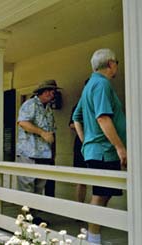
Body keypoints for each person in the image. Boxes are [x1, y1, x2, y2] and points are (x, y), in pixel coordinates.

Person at [73, 48, 126, 244]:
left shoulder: (90, 86)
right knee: (100, 195)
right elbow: (103, 118)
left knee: (103, 195)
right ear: (111, 63)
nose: (117, 66)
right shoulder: (102, 84)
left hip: (97, 150)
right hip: (104, 151)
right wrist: (120, 148)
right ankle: (93, 240)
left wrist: (86, 140)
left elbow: (76, 117)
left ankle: (93, 237)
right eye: (117, 63)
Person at [16, 79, 60, 224]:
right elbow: (23, 122)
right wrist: (42, 133)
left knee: (39, 186)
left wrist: (53, 154)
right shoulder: (30, 104)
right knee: (27, 186)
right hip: (28, 153)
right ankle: (24, 219)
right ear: (42, 92)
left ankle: (33, 216)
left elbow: (52, 133)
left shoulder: (48, 109)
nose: (52, 93)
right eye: (49, 90)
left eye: (53, 91)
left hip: (44, 155)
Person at [69, 104, 87, 204]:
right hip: (81, 145)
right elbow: (71, 124)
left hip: (98, 145)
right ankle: (80, 205)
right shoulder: (78, 106)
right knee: (81, 178)